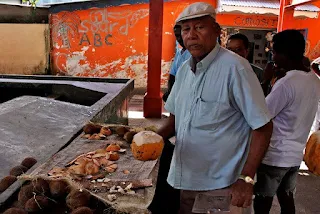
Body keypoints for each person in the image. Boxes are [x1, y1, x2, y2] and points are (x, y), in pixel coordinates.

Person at [157, 2, 273, 214]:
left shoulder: (236, 68)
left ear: (217, 31)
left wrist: (246, 178)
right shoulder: (184, 70)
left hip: (222, 184)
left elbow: (263, 127)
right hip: (186, 178)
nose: (191, 34)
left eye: (200, 27)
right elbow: (176, 119)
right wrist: (150, 138)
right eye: (186, 29)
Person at [254, 30, 320, 214]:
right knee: (286, 198)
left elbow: (261, 115)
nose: (273, 56)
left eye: (274, 52)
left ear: (284, 54)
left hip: (275, 155)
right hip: (295, 155)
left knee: (263, 201)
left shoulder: (286, 83)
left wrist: (266, 80)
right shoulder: (314, 80)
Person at [163, 25, 191, 102]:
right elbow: (172, 75)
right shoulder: (179, 53)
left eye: (181, 35)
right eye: (177, 36)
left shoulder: (194, 54)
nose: (179, 39)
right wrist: (170, 93)